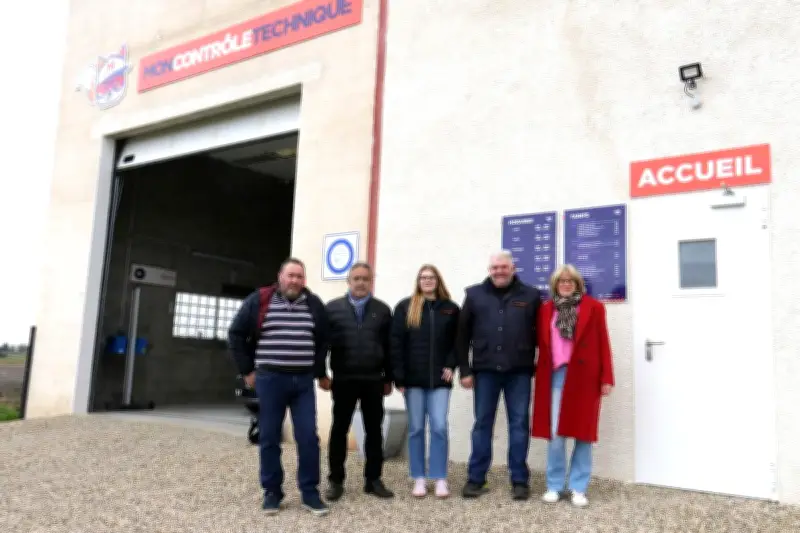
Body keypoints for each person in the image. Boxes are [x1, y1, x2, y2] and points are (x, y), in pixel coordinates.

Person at [227, 258, 330, 516]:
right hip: (270, 380)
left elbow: (324, 339)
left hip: (303, 382)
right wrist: (247, 370)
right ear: (280, 276)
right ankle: (272, 492)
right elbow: (236, 333)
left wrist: (320, 372)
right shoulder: (259, 300)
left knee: (308, 437)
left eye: (299, 276)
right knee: (270, 436)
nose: (295, 281)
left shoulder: (314, 304)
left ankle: (310, 492)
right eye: (290, 275)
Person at [457, 250, 542, 500]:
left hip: (519, 371)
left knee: (519, 425)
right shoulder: (473, 295)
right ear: (489, 269)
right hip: (485, 371)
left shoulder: (531, 295)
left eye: (504, 267)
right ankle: (476, 478)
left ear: (513, 268)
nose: (499, 271)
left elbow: (542, 334)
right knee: (482, 425)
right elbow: (462, 336)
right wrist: (464, 369)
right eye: (495, 267)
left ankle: (519, 480)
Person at [531, 264, 615, 508]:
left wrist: (606, 378)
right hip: (556, 376)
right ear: (555, 285)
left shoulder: (594, 308)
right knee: (556, 435)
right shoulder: (546, 310)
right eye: (561, 281)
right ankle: (554, 485)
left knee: (583, 435)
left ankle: (578, 487)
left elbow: (603, 342)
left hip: (585, 377)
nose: (566, 284)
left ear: (578, 284)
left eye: (570, 281)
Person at [321, 262, 395, 501]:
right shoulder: (332, 309)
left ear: (371, 281)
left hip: (374, 380)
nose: (361, 282)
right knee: (339, 430)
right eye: (356, 278)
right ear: (348, 281)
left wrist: (389, 377)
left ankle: (373, 480)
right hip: (343, 379)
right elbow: (322, 345)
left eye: (365, 278)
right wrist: (321, 373)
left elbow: (390, 347)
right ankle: (335, 480)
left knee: (374, 431)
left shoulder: (383, 310)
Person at [390, 264, 460, 498]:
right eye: (423, 278)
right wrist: (398, 376)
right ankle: (419, 477)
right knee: (417, 429)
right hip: (413, 380)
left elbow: (457, 342)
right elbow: (396, 343)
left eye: (431, 277)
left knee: (439, 426)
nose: (427, 281)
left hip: (440, 380)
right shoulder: (405, 307)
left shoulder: (450, 309)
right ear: (418, 282)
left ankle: (440, 477)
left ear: (438, 280)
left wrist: (451, 364)